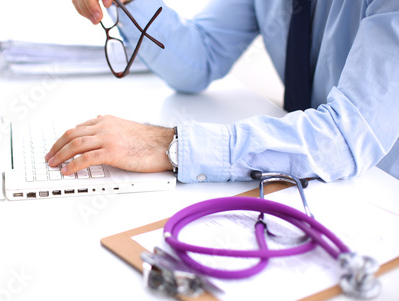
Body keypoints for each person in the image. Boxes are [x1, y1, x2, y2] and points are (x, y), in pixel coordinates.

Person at [46, 0, 399, 183]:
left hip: (383, 196)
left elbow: (344, 138)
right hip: (321, 188)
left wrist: (168, 143)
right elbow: (199, 59)